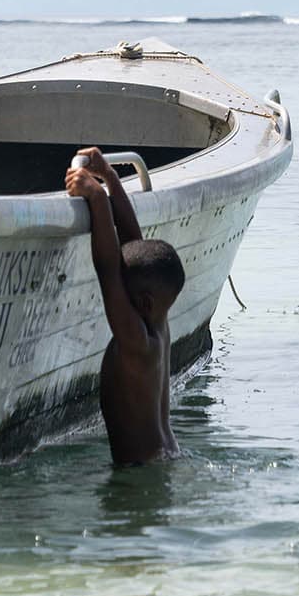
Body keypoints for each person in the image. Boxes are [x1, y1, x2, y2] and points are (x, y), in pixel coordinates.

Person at [64, 147, 186, 465]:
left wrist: (98, 199)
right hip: (162, 457)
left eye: (123, 287)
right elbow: (134, 244)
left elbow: (107, 271)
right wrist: (111, 179)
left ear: (143, 302)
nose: (118, 290)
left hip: (141, 472)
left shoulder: (136, 342)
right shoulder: (156, 325)